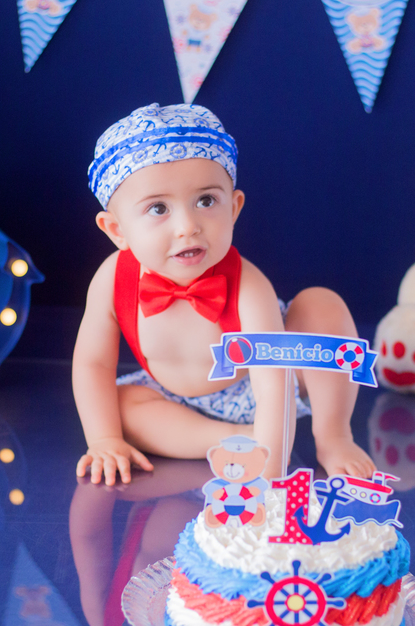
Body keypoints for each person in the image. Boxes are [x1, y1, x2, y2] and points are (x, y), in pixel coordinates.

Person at [73, 103, 375, 484]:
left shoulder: (248, 285)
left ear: (233, 208)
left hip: (261, 386)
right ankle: (233, 439)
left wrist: (269, 474)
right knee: (118, 408)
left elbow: (273, 382)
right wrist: (103, 439)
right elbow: (93, 364)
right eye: (158, 209)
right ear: (117, 230)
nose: (188, 226)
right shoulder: (112, 280)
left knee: (321, 306)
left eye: (206, 201)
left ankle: (333, 436)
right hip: (175, 401)